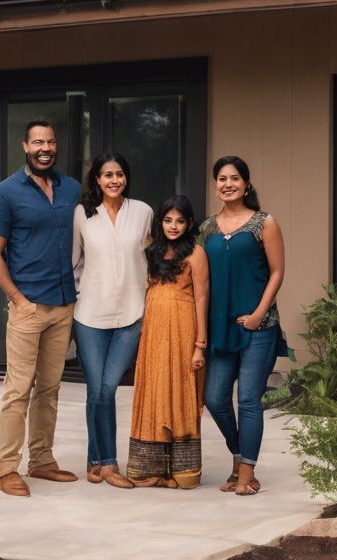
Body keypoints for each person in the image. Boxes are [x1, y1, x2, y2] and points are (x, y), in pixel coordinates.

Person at [0, 120, 82, 497]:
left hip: (63, 305)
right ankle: (7, 468)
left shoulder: (71, 188)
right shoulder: (5, 193)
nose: (46, 147)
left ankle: (41, 460)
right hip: (28, 306)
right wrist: (18, 300)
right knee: (18, 390)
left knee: (50, 389)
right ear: (25, 145)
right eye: (38, 141)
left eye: (51, 141)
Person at [199, 155, 286, 497]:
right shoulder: (206, 228)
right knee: (216, 399)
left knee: (249, 400)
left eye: (235, 178)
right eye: (222, 178)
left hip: (258, 328)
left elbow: (277, 272)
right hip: (219, 328)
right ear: (215, 185)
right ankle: (239, 456)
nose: (228, 184)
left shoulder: (264, 223)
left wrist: (257, 314)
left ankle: (246, 473)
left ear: (246, 184)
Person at [71, 152, 152, 489]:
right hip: (90, 314)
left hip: (132, 313)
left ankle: (103, 462)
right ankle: (103, 463)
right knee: (96, 390)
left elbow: (149, 256)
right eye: (107, 175)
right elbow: (75, 261)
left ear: (126, 178)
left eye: (119, 173)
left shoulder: (144, 212)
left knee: (107, 388)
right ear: (97, 180)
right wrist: (80, 293)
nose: (114, 180)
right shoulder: (82, 215)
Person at [127, 195, 209, 489]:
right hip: (154, 331)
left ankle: (182, 470)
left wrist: (200, 343)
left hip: (183, 328)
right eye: (168, 220)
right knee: (154, 390)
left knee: (178, 389)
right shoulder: (151, 252)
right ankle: (152, 469)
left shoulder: (196, 253)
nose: (173, 226)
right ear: (160, 222)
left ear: (189, 223)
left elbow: (201, 296)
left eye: (180, 220)